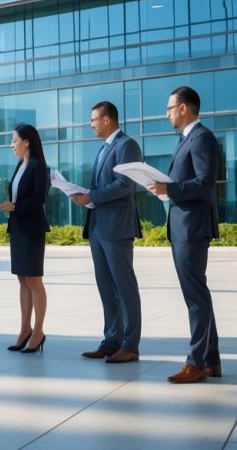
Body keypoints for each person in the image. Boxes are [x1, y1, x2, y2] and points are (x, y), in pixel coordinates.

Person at [147, 86, 222, 384]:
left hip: (192, 227)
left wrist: (170, 189)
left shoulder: (202, 138)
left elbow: (205, 182)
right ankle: (211, 360)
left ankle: (196, 363)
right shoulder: (186, 139)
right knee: (197, 295)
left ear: (184, 108)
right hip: (182, 224)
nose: (166, 113)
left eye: (169, 108)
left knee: (196, 297)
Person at [71, 101, 143, 364]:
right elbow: (101, 187)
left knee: (125, 288)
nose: (91, 125)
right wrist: (86, 196)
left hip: (117, 227)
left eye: (93, 120)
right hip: (99, 226)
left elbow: (125, 184)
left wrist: (92, 196)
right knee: (106, 288)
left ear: (107, 120)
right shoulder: (103, 149)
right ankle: (112, 340)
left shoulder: (127, 146)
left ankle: (130, 345)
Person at [0, 124, 50, 354]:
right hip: (18, 227)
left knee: (34, 280)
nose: (12, 145)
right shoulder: (21, 165)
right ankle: (24, 329)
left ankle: (38, 331)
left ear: (27, 141)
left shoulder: (38, 166)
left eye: (14, 140)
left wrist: (15, 206)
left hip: (32, 229)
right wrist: (12, 207)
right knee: (22, 279)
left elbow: (39, 198)